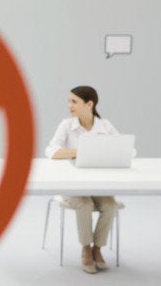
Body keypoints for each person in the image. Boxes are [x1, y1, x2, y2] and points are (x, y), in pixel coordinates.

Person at [45, 85, 120, 274]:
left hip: (98, 186)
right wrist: (80, 152)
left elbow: (122, 149)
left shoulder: (105, 126)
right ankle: (86, 249)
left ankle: (98, 249)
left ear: (89, 104)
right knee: (85, 204)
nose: (69, 106)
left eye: (74, 102)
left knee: (110, 205)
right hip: (72, 187)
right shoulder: (66, 126)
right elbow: (51, 150)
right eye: (69, 101)